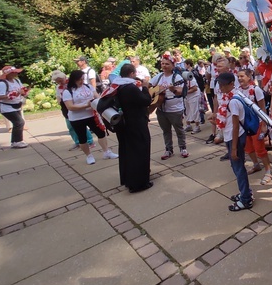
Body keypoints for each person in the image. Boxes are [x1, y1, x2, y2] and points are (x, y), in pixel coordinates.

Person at [110, 63, 154, 193]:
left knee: (127, 151)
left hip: (123, 124)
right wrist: (145, 88)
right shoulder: (130, 87)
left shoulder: (116, 85)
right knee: (140, 150)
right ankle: (139, 183)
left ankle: (128, 179)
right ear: (131, 74)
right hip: (136, 123)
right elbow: (145, 101)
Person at [215, 72, 254, 211]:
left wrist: (233, 149)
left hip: (235, 138)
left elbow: (236, 125)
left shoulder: (234, 101)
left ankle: (246, 199)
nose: (221, 87)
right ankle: (245, 192)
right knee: (237, 167)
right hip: (231, 136)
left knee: (238, 168)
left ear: (232, 84)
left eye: (223, 85)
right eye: (219, 84)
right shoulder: (231, 97)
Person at [62, 70, 119, 165]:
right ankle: (89, 155)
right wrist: (86, 105)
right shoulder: (68, 91)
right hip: (77, 118)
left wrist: (100, 101)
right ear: (74, 80)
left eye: (82, 79)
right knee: (82, 138)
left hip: (91, 115)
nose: (82, 81)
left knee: (101, 133)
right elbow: (70, 107)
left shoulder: (88, 87)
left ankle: (106, 152)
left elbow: (96, 96)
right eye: (79, 79)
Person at [237, 68, 272, 184]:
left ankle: (268, 171)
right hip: (244, 124)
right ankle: (256, 165)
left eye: (242, 76)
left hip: (256, 123)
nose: (239, 78)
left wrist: (264, 124)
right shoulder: (237, 91)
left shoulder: (256, 90)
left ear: (248, 77)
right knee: (248, 147)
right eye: (238, 76)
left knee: (259, 148)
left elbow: (262, 108)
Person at [150, 54, 188, 159]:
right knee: (166, 131)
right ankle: (168, 149)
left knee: (179, 130)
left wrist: (173, 89)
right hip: (161, 109)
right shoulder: (159, 76)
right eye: (162, 63)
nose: (164, 66)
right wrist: (152, 92)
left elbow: (181, 91)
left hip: (175, 109)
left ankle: (183, 148)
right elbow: (148, 85)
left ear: (172, 65)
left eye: (167, 64)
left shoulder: (177, 77)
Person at [51, 70, 93, 151]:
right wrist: (60, 101)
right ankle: (77, 142)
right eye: (57, 81)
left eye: (60, 80)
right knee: (70, 126)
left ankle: (89, 141)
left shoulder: (71, 85)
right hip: (65, 107)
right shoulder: (58, 87)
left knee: (81, 125)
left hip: (75, 105)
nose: (59, 82)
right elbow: (58, 96)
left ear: (64, 77)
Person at [0, 66, 30, 148]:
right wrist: (12, 95)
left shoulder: (16, 81)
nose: (16, 73)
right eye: (14, 72)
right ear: (8, 74)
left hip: (16, 105)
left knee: (19, 123)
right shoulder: (2, 83)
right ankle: (16, 142)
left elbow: (22, 89)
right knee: (19, 122)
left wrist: (24, 92)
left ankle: (18, 140)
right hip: (6, 108)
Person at [183, 59, 202, 133]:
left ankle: (197, 126)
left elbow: (194, 88)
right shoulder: (180, 79)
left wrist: (185, 92)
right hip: (187, 97)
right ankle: (188, 125)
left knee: (194, 111)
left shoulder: (190, 77)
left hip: (194, 96)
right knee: (186, 111)